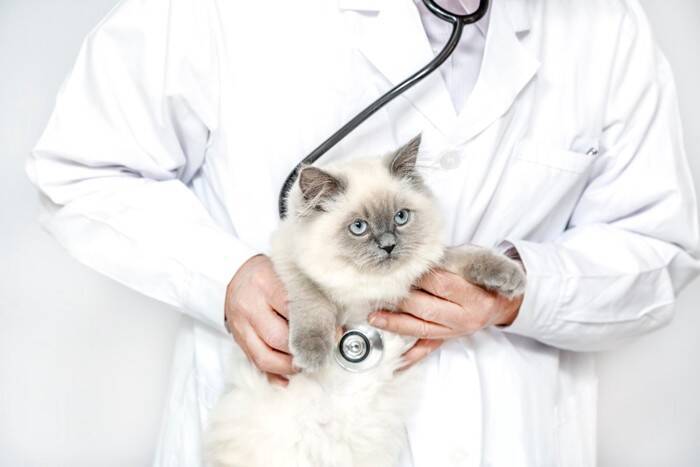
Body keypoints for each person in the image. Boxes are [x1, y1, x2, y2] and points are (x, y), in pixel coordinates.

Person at [27, 0, 699, 465]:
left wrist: (520, 291)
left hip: (505, 437)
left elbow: (659, 245)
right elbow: (80, 168)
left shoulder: (604, 25)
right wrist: (224, 276)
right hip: (280, 424)